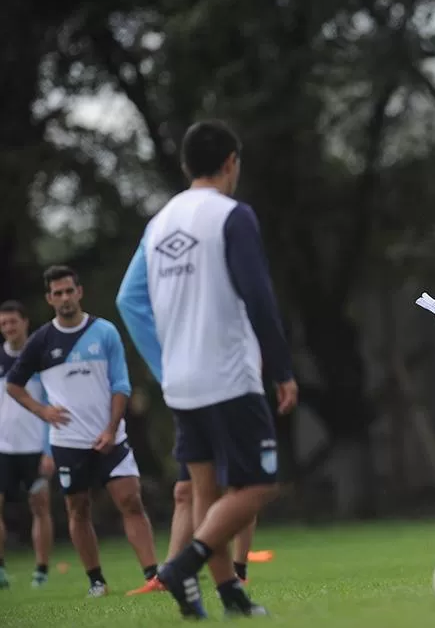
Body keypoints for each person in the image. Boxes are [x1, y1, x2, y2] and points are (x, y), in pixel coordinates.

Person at [115, 119, 298, 618]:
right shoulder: (230, 215)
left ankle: (228, 596)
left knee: (205, 493)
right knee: (260, 485)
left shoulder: (159, 224)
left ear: (185, 165)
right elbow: (257, 296)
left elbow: (132, 299)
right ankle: (182, 565)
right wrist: (281, 368)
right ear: (231, 163)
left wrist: (165, 359)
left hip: (180, 381)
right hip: (228, 375)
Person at [5, 266, 159, 597]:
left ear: (80, 292)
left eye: (68, 291)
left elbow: (121, 385)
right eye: (57, 293)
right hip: (68, 442)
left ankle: (153, 576)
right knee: (78, 508)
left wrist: (111, 428)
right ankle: (96, 581)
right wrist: (42, 410)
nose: (64, 298)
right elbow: (14, 385)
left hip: (111, 437)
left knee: (131, 500)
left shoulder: (105, 332)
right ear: (49, 299)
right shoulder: (41, 341)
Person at [0, 300, 54, 589]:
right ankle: (1, 570)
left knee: (40, 508)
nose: (9, 328)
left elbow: (50, 404)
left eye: (13, 322)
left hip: (35, 447)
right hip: (3, 449)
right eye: (3, 323)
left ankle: (41, 571)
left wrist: (49, 450)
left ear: (25, 322)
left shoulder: (39, 359)